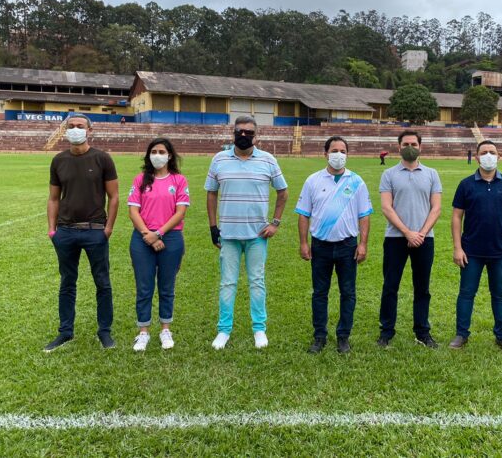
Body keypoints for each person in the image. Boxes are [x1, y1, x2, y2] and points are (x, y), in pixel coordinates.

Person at [205, 115, 288, 350]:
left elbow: (283, 192)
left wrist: (275, 223)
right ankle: (224, 330)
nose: (244, 136)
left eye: (249, 133)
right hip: (229, 235)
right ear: (233, 133)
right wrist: (213, 227)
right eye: (240, 132)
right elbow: (211, 194)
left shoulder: (268, 160)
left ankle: (259, 329)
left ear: (256, 135)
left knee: (257, 282)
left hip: (257, 236)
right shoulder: (219, 160)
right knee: (227, 283)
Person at [45, 114, 119, 352]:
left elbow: (114, 196)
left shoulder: (102, 159)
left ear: (90, 130)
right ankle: (65, 332)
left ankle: (104, 331)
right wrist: (52, 229)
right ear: (65, 130)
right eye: (71, 127)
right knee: (67, 283)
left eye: (80, 126)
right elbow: (54, 198)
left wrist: (107, 228)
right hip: (65, 232)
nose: (75, 130)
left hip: (95, 230)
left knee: (102, 282)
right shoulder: (58, 160)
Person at [296, 136, 372, 354]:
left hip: (348, 246)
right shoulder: (313, 181)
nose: (339, 155)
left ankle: (343, 337)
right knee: (320, 292)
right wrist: (303, 243)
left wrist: (363, 243)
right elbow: (303, 215)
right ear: (325, 154)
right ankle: (319, 336)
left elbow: (364, 215)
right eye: (334, 150)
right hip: (320, 246)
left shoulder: (356, 181)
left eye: (343, 151)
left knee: (348, 292)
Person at [449, 140, 502, 355]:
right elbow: (456, 216)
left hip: (501, 252)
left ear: (499, 157)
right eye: (484, 152)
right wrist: (457, 247)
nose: (488, 155)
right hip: (470, 251)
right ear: (477, 156)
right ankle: (461, 333)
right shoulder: (466, 184)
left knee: (499, 294)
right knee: (466, 293)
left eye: (492, 152)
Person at [377, 130, 442, 349]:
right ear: (399, 147)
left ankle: (422, 332)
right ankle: (386, 332)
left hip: (425, 239)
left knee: (422, 288)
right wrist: (407, 232)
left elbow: (436, 208)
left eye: (413, 143)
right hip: (396, 238)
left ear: (420, 146)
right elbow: (387, 207)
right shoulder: (389, 174)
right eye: (405, 143)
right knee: (390, 286)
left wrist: (421, 233)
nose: (409, 146)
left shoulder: (432, 174)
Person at [127, 138, 189, 352]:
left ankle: (165, 329)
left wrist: (159, 234)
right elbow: (133, 211)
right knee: (144, 287)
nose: (157, 155)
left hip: (170, 238)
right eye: (153, 151)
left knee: (166, 287)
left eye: (161, 151)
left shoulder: (179, 180)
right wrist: (148, 235)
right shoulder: (140, 180)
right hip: (142, 239)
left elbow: (180, 212)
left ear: (169, 155)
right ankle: (143, 332)